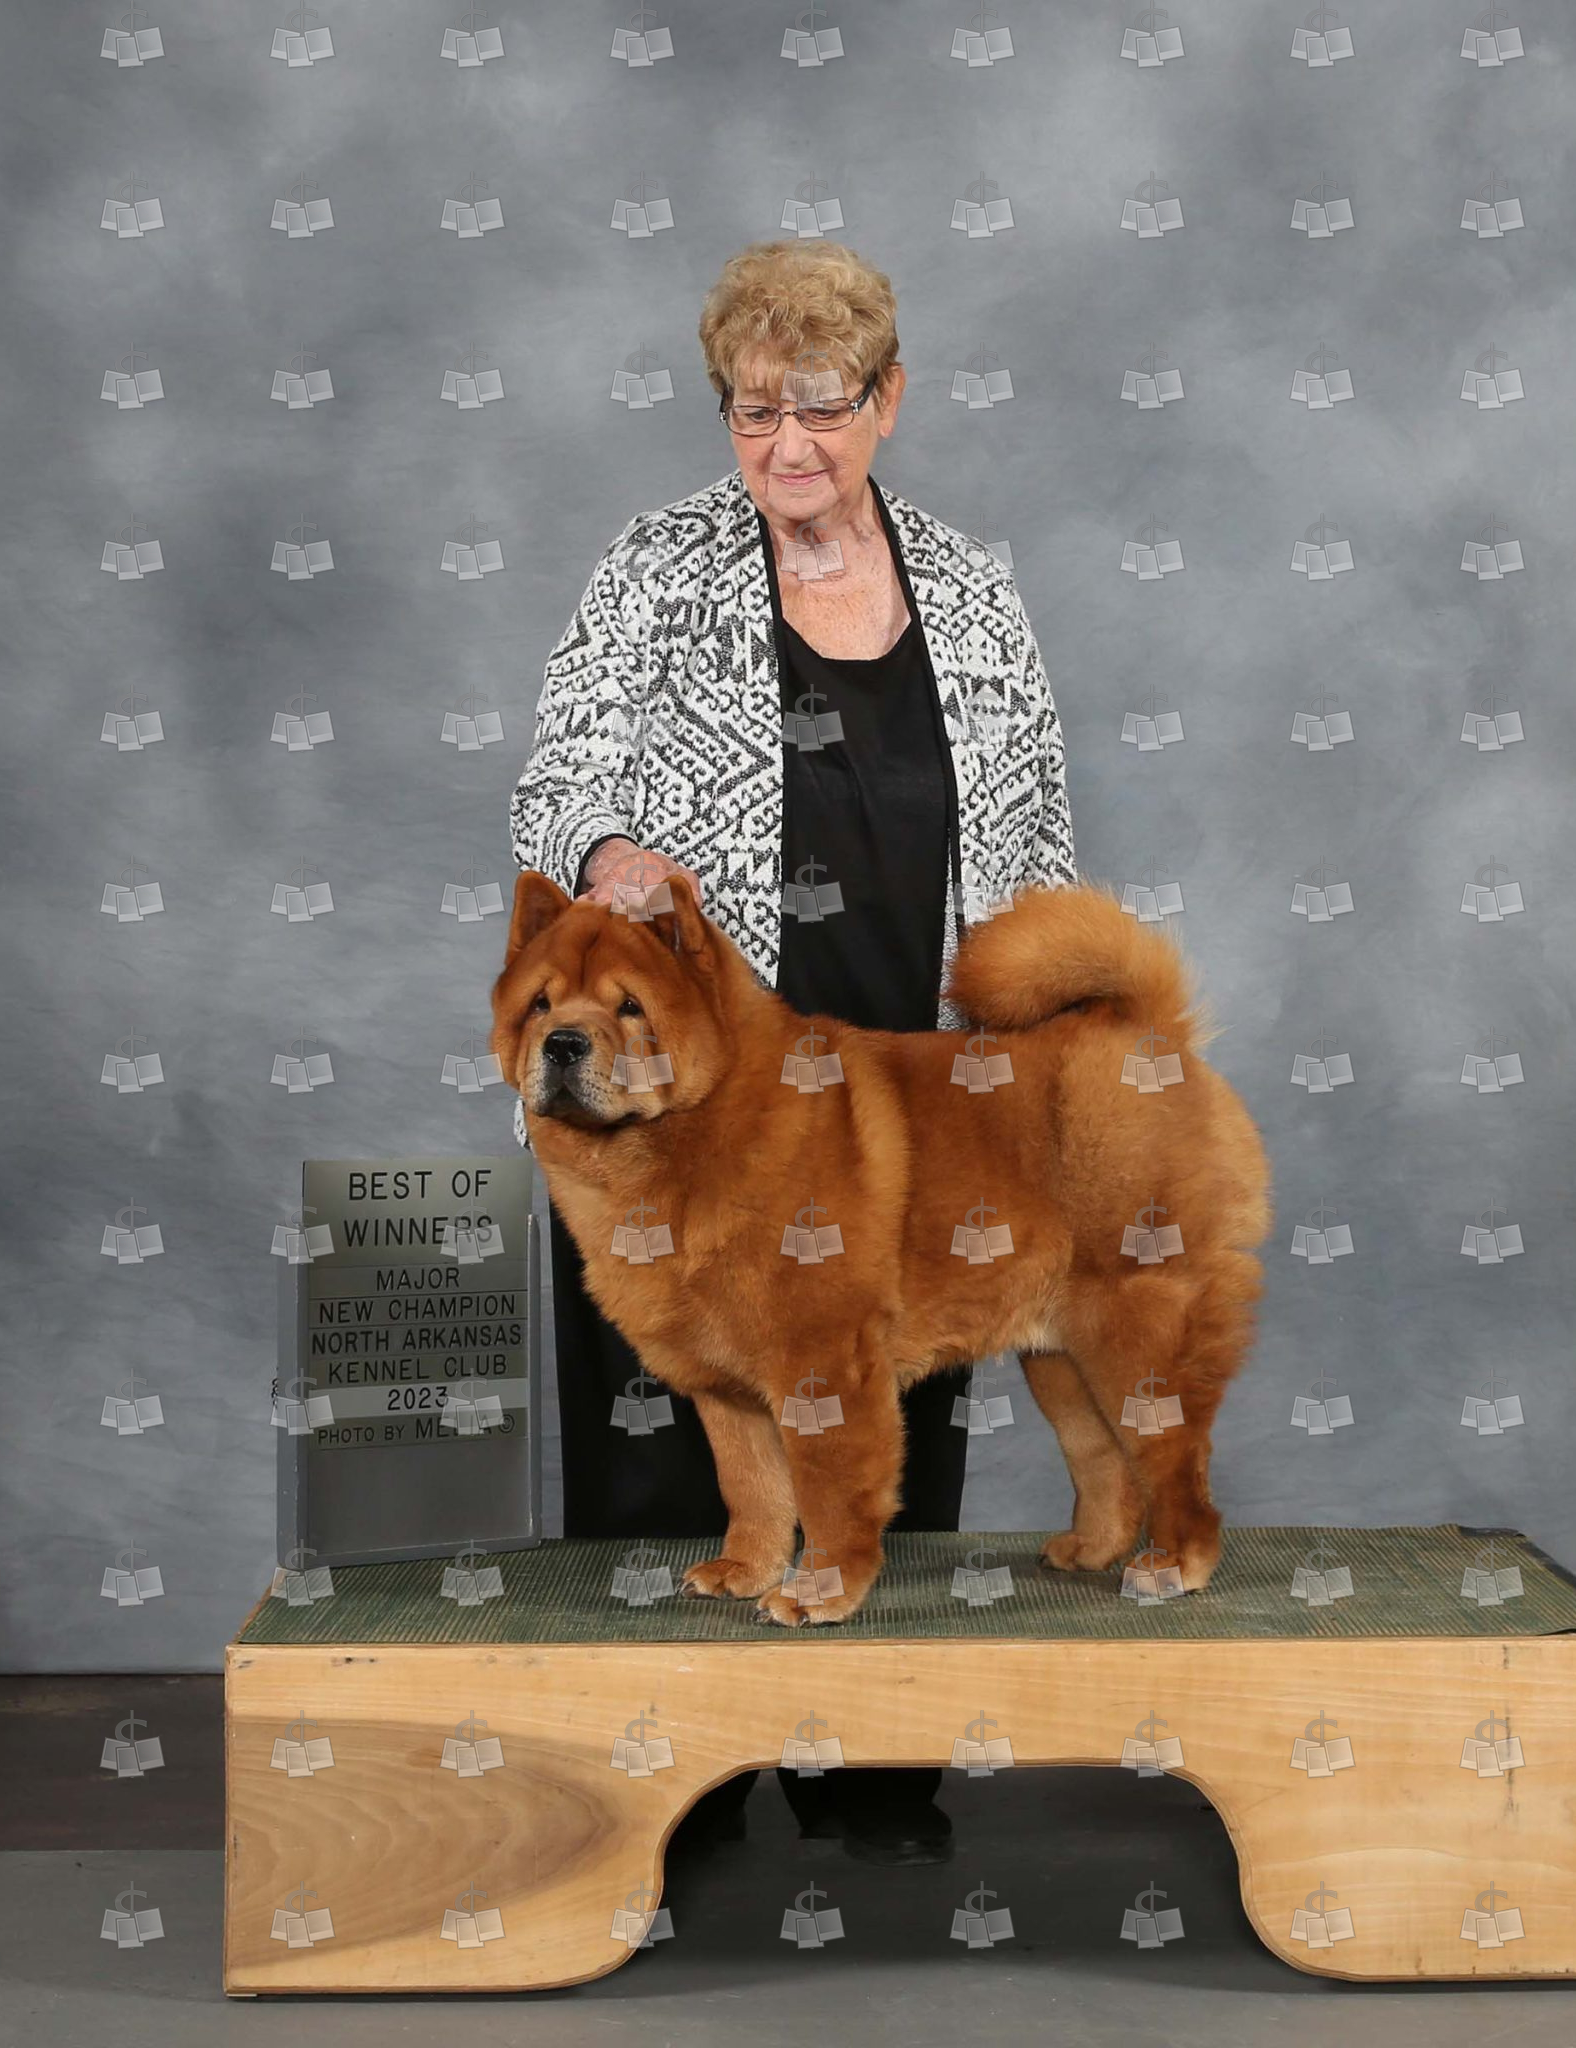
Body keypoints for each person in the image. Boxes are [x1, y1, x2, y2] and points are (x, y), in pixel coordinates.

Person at [508, 239, 1076, 1864]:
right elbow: (558, 782)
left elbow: (1036, 826)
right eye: (753, 412)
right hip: (695, 1099)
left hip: (911, 1069)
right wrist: (608, 852)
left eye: (819, 408)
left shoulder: (970, 585)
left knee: (890, 1386)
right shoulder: (654, 567)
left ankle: (869, 1768)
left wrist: (1032, 1036)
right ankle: (665, 1799)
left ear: (891, 398)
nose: (787, 446)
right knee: (670, 1398)